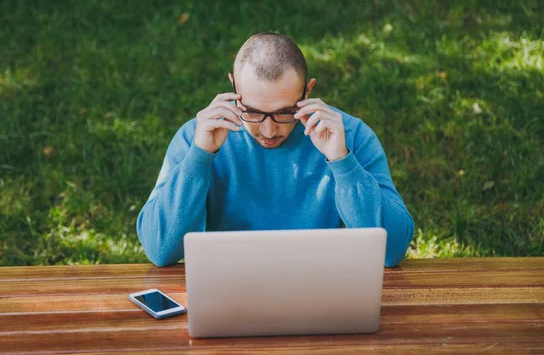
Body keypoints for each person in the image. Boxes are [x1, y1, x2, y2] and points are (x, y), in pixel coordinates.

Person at [137, 32, 414, 268]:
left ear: (307, 91)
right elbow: (160, 248)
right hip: (229, 292)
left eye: (284, 113)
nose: (269, 131)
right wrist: (199, 158)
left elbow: (392, 251)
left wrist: (342, 162)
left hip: (320, 291)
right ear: (234, 86)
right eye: (253, 112)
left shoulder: (348, 136)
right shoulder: (198, 136)